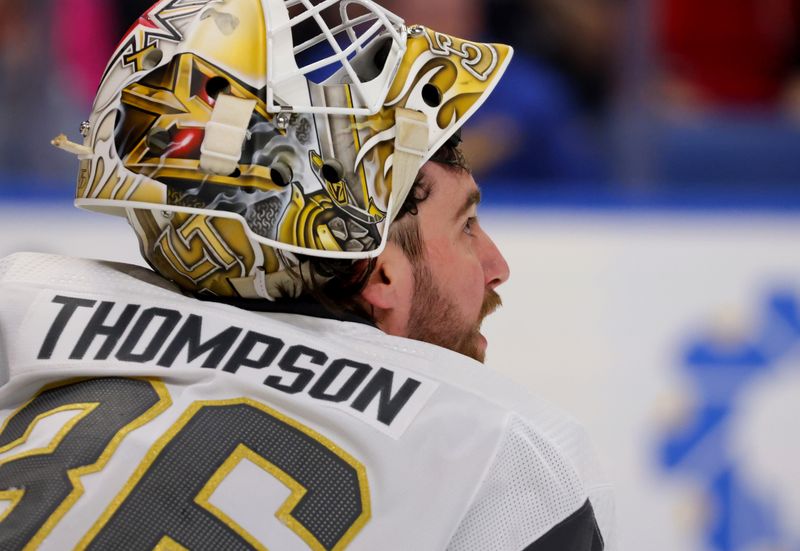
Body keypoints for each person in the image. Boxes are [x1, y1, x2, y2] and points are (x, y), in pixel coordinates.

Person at [0, 0, 613, 549]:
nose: (497, 267)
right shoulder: (500, 454)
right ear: (379, 276)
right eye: (468, 224)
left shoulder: (25, 307)